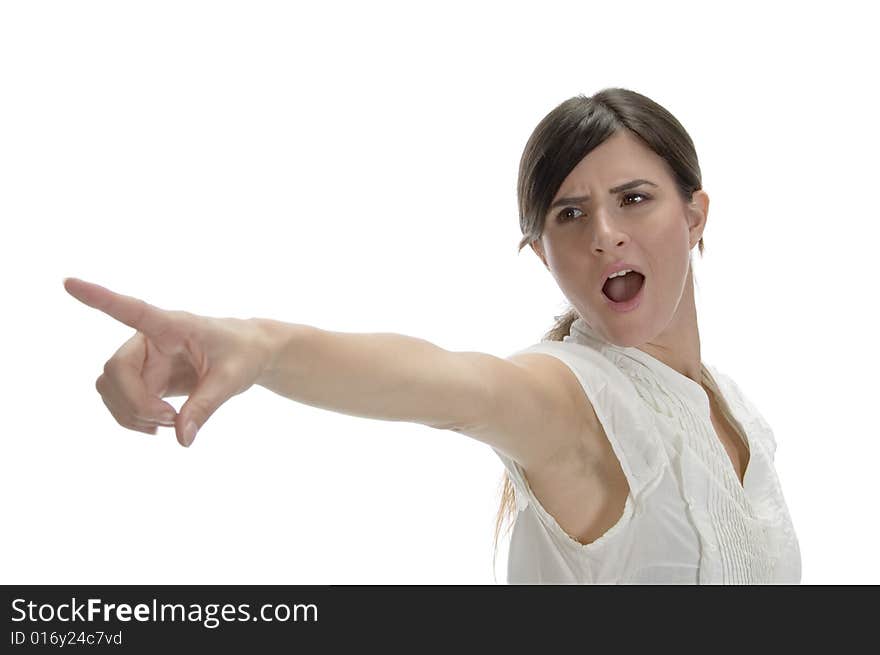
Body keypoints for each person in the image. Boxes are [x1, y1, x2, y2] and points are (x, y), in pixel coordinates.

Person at [64, 87, 801, 585]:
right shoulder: (577, 397)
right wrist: (263, 347)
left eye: (633, 199)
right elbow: (452, 383)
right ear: (542, 253)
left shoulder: (733, 409)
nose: (604, 235)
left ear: (695, 213)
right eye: (569, 216)